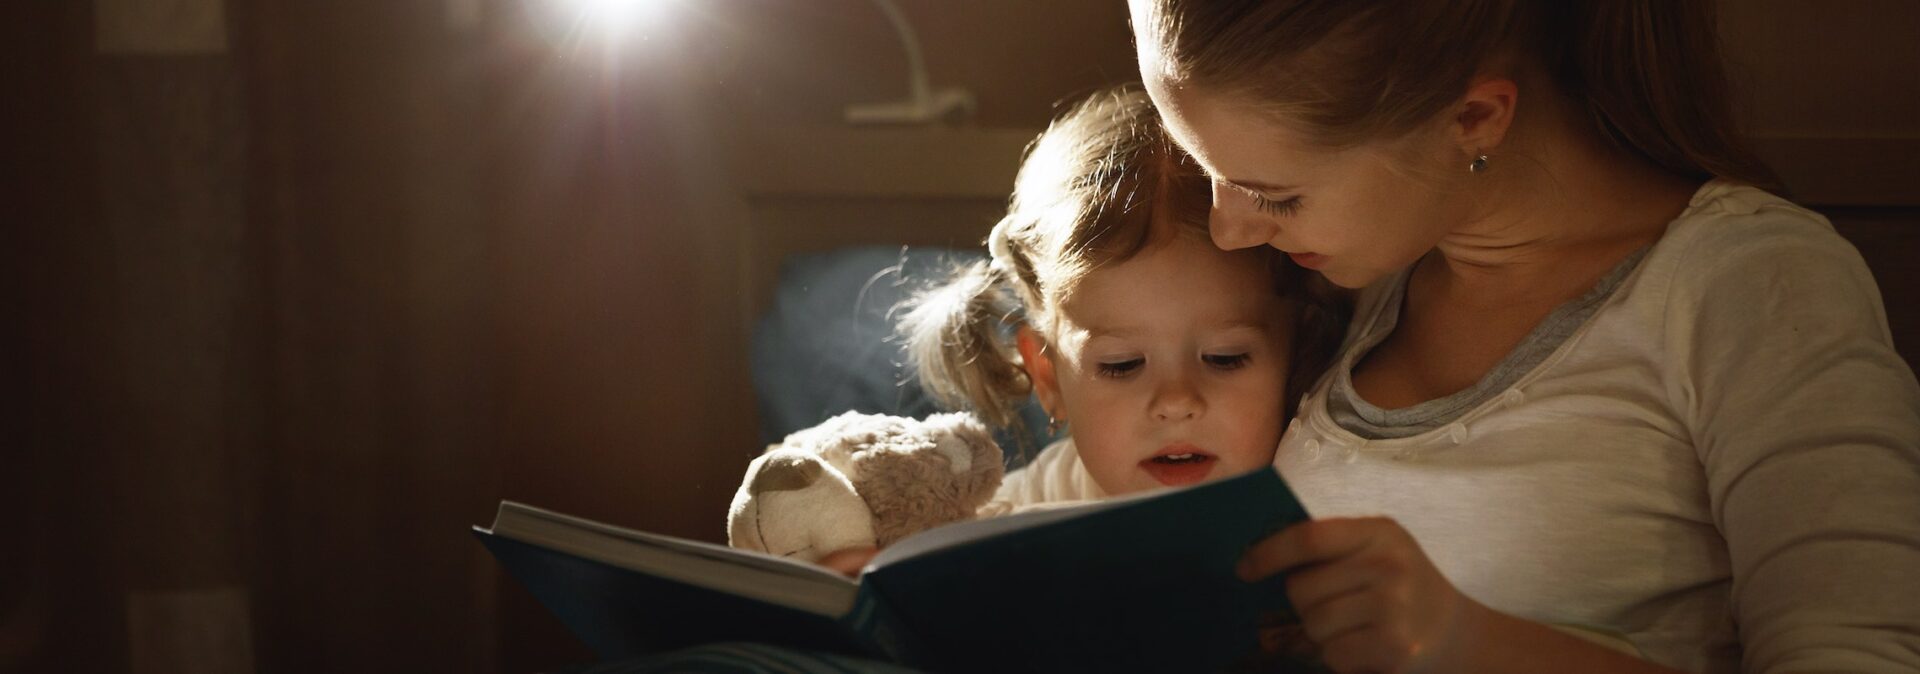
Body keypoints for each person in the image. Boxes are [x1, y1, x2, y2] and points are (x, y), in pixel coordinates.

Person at [1128, 1, 1920, 673]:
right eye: (1211, 177)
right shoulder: (1369, 279)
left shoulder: (1749, 284)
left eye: (1279, 195)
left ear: (1474, 119)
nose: (1231, 232)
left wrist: (1474, 643)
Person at [896, 84, 1346, 507]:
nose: (1176, 402)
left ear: (1296, 352)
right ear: (1049, 376)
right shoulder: (1028, 503)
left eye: (1225, 358)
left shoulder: (1323, 495)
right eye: (1122, 365)